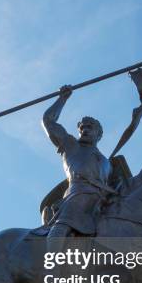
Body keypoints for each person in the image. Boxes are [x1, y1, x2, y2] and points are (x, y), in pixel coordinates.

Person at [42, 85, 115, 251]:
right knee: (62, 226)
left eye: (89, 127)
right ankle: (51, 266)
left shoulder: (105, 161)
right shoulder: (71, 145)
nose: (84, 130)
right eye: (82, 127)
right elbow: (48, 121)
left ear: (99, 133)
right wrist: (62, 99)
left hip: (103, 201)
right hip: (77, 195)